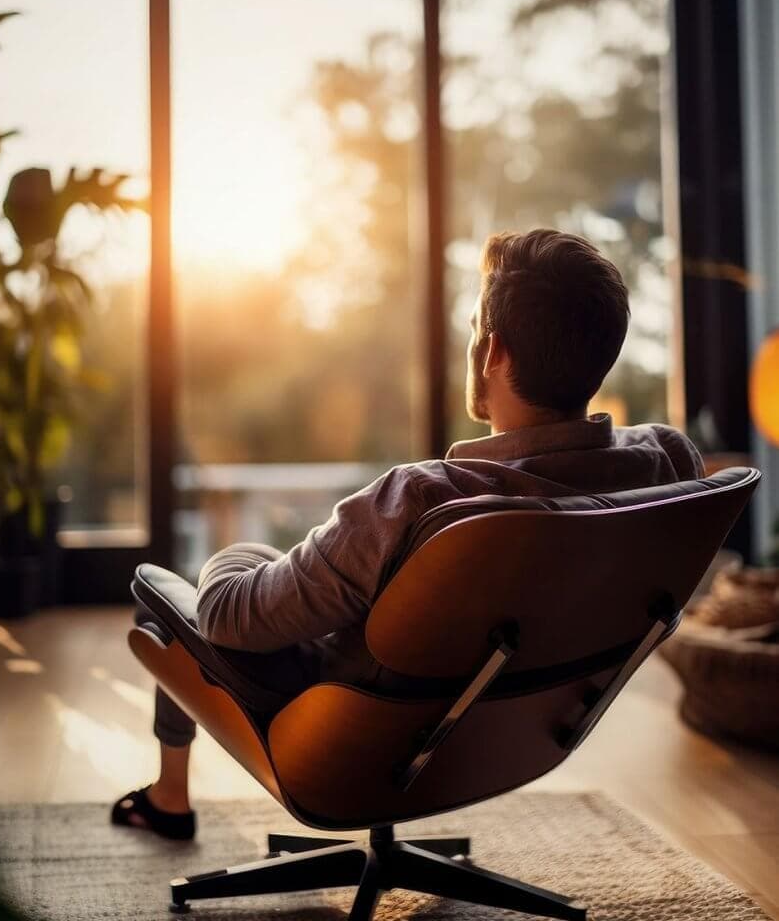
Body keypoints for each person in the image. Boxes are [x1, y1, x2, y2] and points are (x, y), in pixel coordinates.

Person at [112, 227, 703, 839]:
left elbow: (226, 618)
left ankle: (169, 798)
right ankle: (169, 795)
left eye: (475, 328)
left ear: (494, 352)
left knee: (168, 604)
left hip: (348, 744)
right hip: (503, 738)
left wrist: (227, 554)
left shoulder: (421, 500)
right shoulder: (666, 464)